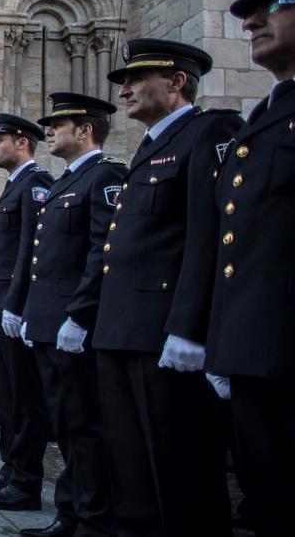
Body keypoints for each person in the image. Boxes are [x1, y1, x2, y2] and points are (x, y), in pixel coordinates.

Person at [94, 38, 239, 536]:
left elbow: (210, 235)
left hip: (163, 333)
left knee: (180, 471)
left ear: (177, 82)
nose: (126, 89)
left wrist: (190, 327)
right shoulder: (152, 145)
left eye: (137, 79)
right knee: (131, 462)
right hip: (123, 328)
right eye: (124, 81)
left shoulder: (208, 133)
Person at [205, 0, 295, 537]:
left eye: (274, 5)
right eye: (249, 11)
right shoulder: (268, 113)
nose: (251, 21)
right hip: (258, 347)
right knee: (268, 499)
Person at [19, 92, 124, 537]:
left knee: (84, 426)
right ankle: (70, 512)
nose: (49, 132)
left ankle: (93, 518)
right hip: (49, 320)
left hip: (72, 325)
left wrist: (79, 316)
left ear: (85, 130)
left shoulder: (105, 177)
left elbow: (102, 250)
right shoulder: (65, 181)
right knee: (64, 423)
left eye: (58, 125)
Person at [0, 114, 53, 511]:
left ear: (22, 143)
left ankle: (26, 480)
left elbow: (29, 252)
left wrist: (16, 304)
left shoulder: (35, 185)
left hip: (10, 307)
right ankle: (11, 469)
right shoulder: (15, 186)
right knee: (7, 398)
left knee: (23, 399)